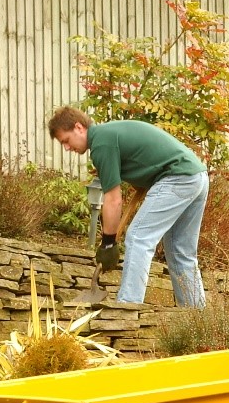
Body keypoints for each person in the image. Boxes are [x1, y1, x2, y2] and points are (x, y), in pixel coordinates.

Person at [48, 107, 209, 307]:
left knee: (138, 237)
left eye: (66, 140)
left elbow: (113, 199)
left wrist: (108, 243)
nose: (66, 148)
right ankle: (198, 321)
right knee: (180, 252)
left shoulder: (101, 143)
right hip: (196, 177)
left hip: (177, 178)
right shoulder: (109, 135)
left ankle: (128, 307)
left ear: (79, 127)